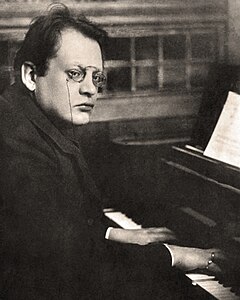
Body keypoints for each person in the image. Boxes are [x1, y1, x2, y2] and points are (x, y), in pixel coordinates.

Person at [0, 4, 225, 299]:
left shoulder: (27, 119)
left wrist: (115, 233)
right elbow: (70, 261)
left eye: (97, 77)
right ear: (31, 75)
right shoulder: (14, 145)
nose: (90, 89)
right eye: (75, 73)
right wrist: (176, 256)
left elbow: (53, 223)